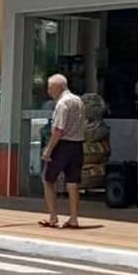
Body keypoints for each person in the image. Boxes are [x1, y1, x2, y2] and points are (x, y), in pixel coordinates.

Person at [41, 74, 85, 228]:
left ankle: (53, 216)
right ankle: (74, 218)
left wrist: (49, 149)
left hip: (63, 145)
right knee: (73, 182)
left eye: (50, 87)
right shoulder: (78, 101)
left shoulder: (62, 104)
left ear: (58, 87)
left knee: (48, 179)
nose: (48, 91)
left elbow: (59, 129)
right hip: (78, 144)